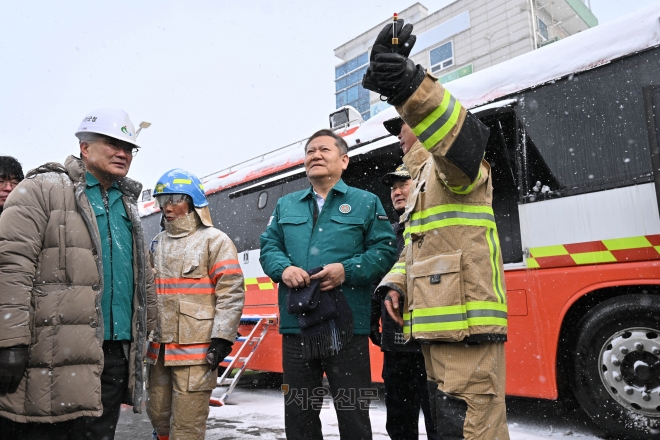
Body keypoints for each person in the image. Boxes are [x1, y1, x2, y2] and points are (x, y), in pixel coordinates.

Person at [363, 20, 510, 439]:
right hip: (440, 334)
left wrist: (409, 89)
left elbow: (456, 134)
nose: (400, 133)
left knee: (470, 432)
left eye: (404, 124)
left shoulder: (453, 169)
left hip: (464, 334)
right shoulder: (423, 184)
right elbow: (419, 249)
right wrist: (396, 284)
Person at [0, 108, 157, 440]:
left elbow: (143, 281)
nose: (122, 153)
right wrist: (9, 341)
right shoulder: (42, 190)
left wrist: (147, 336)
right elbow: (11, 267)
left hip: (114, 356)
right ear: (84, 147)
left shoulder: (128, 206)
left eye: (129, 148)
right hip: (53, 356)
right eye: (113, 143)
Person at [259, 129, 397, 440]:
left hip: (346, 326)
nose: (315, 156)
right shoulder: (286, 205)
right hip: (297, 326)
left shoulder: (366, 202)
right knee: (299, 412)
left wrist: (346, 270)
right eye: (310, 152)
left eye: (324, 150)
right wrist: (283, 269)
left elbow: (385, 249)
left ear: (344, 160)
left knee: (353, 410)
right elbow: (269, 246)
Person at [146, 169, 245, 440]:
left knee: (187, 426)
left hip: (197, 352)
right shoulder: (156, 243)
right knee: (157, 413)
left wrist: (223, 337)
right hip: (159, 351)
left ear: (192, 201)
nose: (166, 206)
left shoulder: (215, 241)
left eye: (175, 198)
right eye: (162, 200)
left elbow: (231, 292)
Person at [370, 137, 438, 440]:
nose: (397, 191)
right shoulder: (389, 234)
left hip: (429, 341)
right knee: (399, 418)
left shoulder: (433, 225)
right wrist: (373, 316)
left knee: (438, 418)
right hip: (396, 345)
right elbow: (379, 279)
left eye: (404, 184)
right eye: (393, 187)